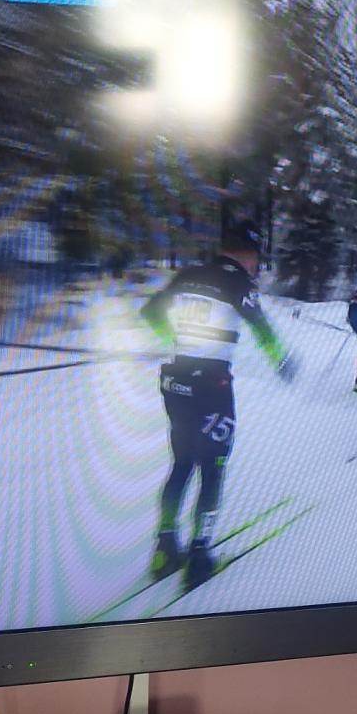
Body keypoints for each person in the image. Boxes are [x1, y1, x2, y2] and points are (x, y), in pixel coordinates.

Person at [140, 219, 296, 591]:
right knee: (213, 465)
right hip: (211, 387)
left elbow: (150, 312)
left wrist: (172, 339)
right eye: (256, 257)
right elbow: (261, 327)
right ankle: (199, 554)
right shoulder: (238, 282)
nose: (257, 265)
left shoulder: (189, 274)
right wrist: (282, 361)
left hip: (175, 382)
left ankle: (164, 549)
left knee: (181, 462)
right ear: (248, 253)